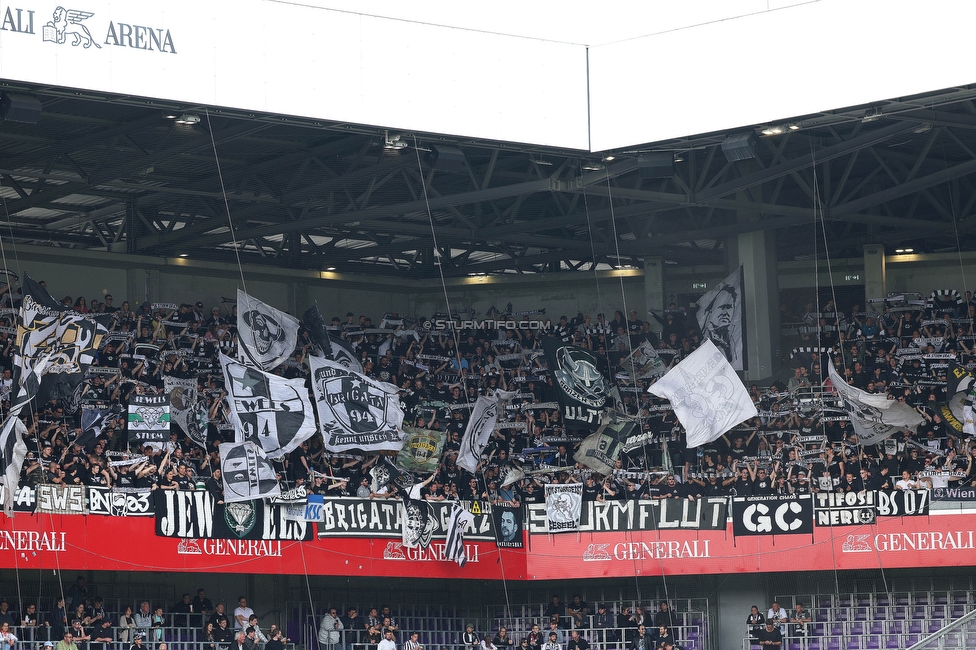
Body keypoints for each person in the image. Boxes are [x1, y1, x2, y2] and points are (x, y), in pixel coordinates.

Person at [699, 283, 739, 365]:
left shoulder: (736, 334)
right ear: (711, 312)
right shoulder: (705, 338)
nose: (725, 313)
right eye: (722, 308)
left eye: (729, 307)